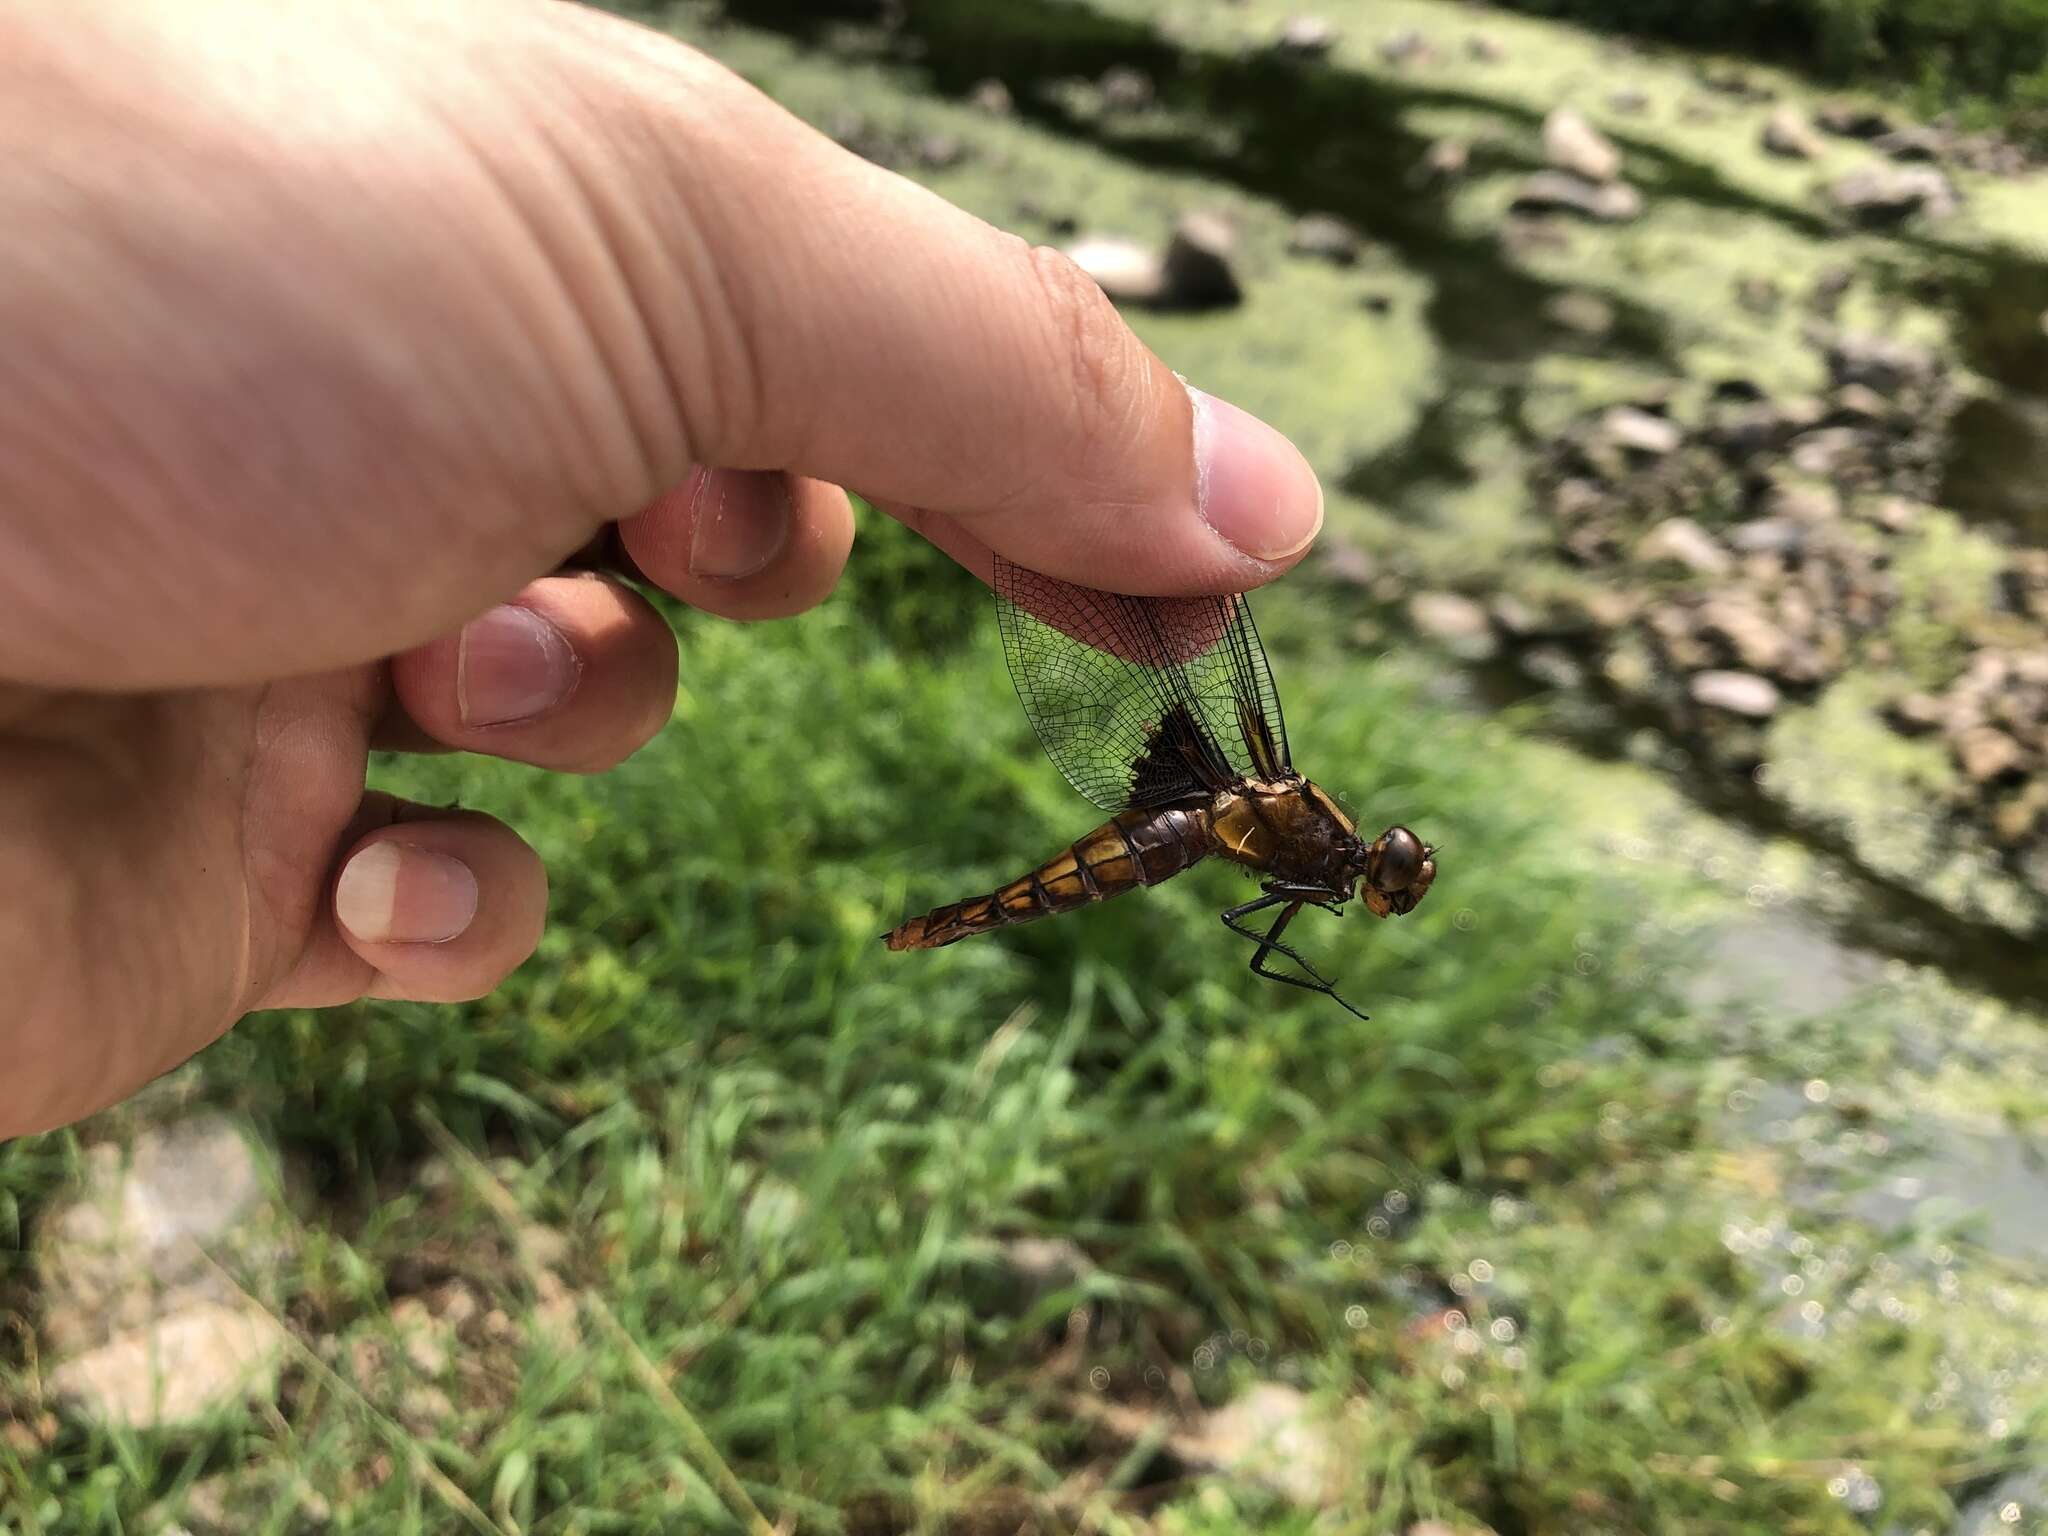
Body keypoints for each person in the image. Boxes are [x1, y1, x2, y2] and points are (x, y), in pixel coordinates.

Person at [0, 0, 1325, 1138]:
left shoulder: (1284, 835)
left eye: (1373, 871)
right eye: (1371, 864)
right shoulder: (1279, 804)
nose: (1363, 869)